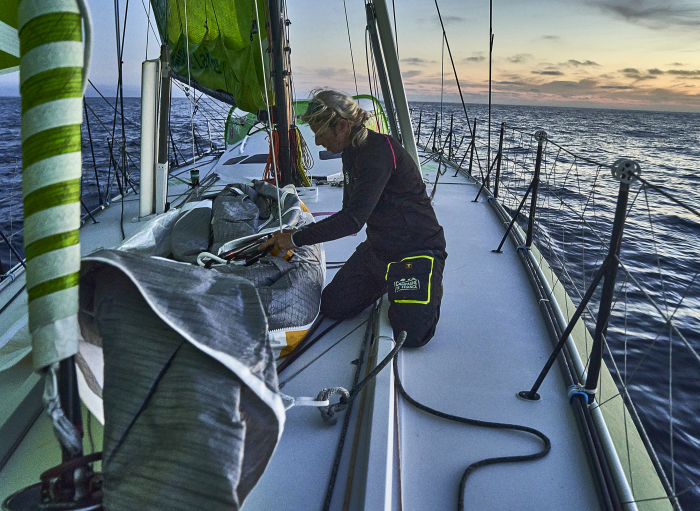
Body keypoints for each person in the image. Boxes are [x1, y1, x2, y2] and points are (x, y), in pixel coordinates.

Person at [259, 89, 446, 348]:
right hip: (380, 250)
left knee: (412, 335)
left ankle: (426, 278)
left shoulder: (381, 150)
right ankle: (392, 281)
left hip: (417, 248)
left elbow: (353, 222)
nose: (317, 142)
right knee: (333, 306)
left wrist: (294, 239)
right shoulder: (350, 152)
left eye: (320, 133)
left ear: (343, 126)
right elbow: (348, 212)